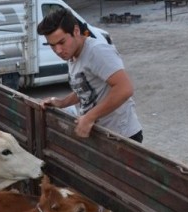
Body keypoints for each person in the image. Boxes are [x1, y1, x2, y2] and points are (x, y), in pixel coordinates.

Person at [37, 8, 143, 142]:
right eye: (52, 45)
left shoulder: (97, 51)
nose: (58, 50)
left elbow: (125, 89)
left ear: (76, 31)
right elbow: (87, 88)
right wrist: (61, 102)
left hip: (122, 137)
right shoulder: (73, 54)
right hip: (100, 135)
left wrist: (89, 117)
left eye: (61, 42)